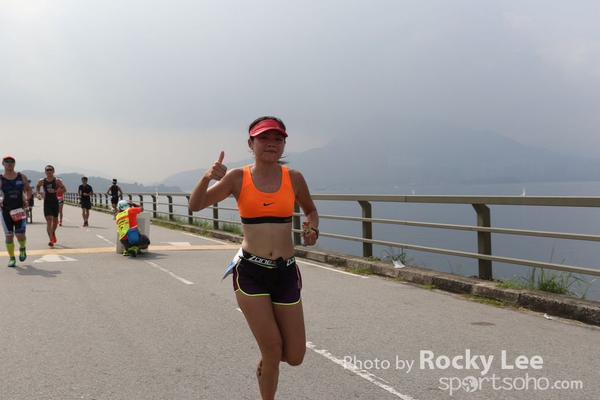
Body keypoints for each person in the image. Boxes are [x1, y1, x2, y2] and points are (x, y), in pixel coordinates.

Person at [188, 116, 319, 400]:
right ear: (251, 143)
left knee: (295, 356)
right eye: (264, 138)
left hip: (285, 272)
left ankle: (266, 363)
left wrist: (312, 228)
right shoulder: (238, 177)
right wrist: (207, 177)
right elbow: (195, 205)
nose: (271, 144)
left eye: (278, 139)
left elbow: (310, 210)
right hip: (251, 272)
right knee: (272, 349)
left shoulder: (294, 178)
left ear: (283, 144)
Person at [0, 156, 32, 267]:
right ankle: (12, 258)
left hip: (19, 210)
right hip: (5, 211)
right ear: (3, 163)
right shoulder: (1, 179)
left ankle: (22, 248)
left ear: (14, 164)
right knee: (9, 236)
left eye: (12, 162)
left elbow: (28, 189)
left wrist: (27, 200)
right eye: (7, 162)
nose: (10, 164)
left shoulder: (21, 177)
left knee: (20, 234)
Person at [35, 165, 66, 247]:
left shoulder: (57, 181)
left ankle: (53, 233)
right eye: (47, 170)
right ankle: (51, 239)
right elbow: (37, 186)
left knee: (55, 221)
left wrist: (55, 191)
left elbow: (64, 189)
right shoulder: (42, 181)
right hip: (47, 202)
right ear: (45, 172)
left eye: (50, 170)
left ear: (53, 171)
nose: (49, 171)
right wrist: (38, 194)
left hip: (55, 202)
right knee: (49, 221)